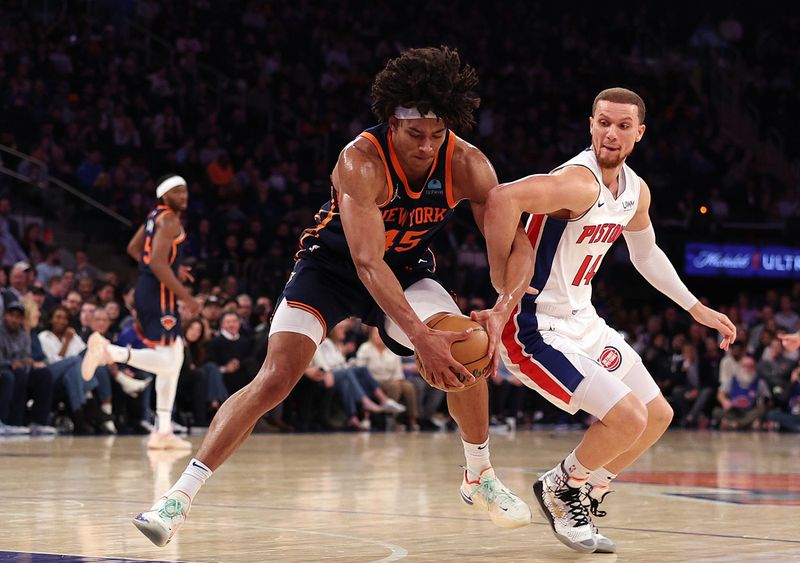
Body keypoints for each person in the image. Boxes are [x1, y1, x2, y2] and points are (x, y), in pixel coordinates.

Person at [132, 46, 534, 547]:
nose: (427, 146)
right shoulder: (360, 161)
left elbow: (517, 242)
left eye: (437, 134)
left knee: (466, 344)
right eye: (415, 134)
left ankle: (480, 476)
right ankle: (178, 499)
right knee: (276, 377)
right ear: (392, 122)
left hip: (406, 269)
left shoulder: (468, 163)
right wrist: (417, 337)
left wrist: (503, 306)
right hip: (331, 268)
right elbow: (366, 261)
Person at [481, 87, 736, 553]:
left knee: (658, 415)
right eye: (603, 122)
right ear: (590, 124)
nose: (611, 133)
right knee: (626, 417)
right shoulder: (578, 182)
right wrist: (504, 282)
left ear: (639, 132)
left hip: (585, 320)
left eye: (622, 126)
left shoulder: (635, 190)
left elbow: (647, 254)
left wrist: (697, 309)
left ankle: (584, 487)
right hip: (536, 327)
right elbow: (500, 198)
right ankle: (561, 487)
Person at [82, 175, 201, 449]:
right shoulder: (169, 219)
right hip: (159, 293)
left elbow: (135, 249)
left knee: (175, 354)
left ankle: (163, 430)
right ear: (164, 195)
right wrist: (188, 297)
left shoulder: (154, 216)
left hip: (150, 290)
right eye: (178, 191)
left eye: (186, 191)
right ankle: (111, 353)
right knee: (170, 361)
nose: (184, 196)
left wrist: (170, 268)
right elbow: (158, 264)